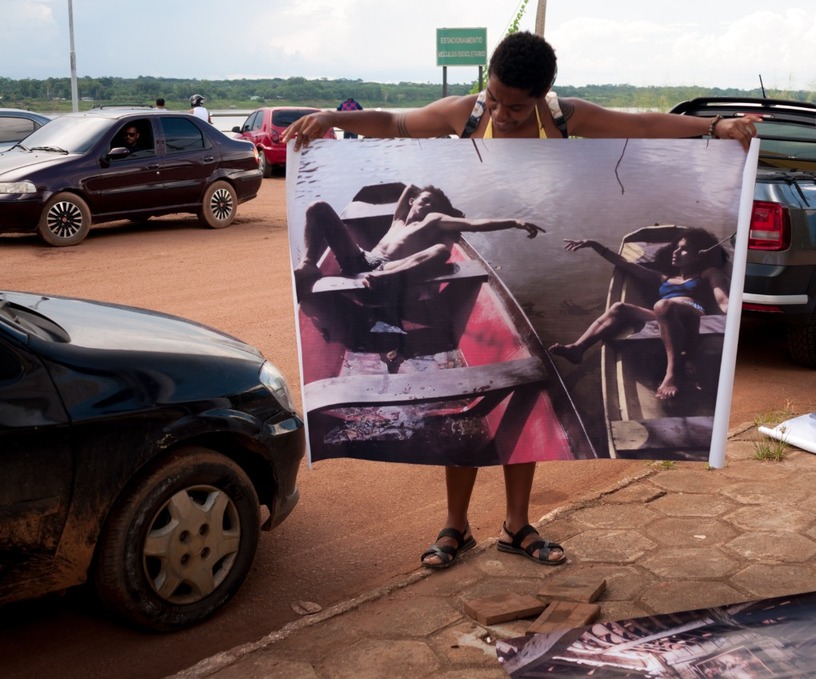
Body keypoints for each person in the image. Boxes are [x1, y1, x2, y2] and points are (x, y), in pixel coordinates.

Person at [283, 31, 759, 571]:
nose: (504, 115)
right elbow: (394, 123)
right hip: (440, 258)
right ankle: (456, 528)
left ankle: (516, 525)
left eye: (518, 106)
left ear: (543, 95)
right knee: (460, 415)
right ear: (488, 79)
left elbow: (644, 125)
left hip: (532, 250)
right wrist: (331, 118)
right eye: (497, 98)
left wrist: (716, 127)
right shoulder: (467, 113)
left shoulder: (563, 117)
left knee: (529, 391)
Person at [549, 227, 729, 399]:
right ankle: (578, 348)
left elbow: (723, 300)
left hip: (695, 315)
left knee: (663, 305)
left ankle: (672, 373)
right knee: (619, 307)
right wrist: (594, 245)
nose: (676, 252)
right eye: (677, 248)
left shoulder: (708, 273)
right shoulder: (665, 279)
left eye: (684, 249)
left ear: (701, 254)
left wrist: (733, 314)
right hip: (664, 315)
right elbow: (625, 264)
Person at [293, 183, 543, 297]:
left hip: (388, 269)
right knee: (318, 207)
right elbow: (408, 190)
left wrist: (514, 221)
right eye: (424, 201)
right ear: (412, 202)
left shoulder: (433, 220)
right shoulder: (398, 220)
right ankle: (308, 265)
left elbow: (474, 225)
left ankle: (383, 281)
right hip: (361, 257)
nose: (427, 206)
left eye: (433, 204)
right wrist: (418, 191)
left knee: (441, 252)